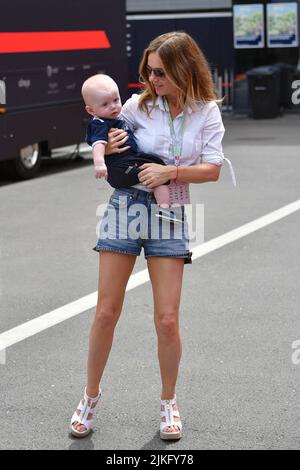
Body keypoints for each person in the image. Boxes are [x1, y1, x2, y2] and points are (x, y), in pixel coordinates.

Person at [70, 31, 226, 440]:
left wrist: (169, 171)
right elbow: (103, 130)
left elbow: (212, 169)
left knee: (168, 320)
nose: (152, 79)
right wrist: (113, 142)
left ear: (183, 69)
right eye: (149, 71)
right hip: (125, 207)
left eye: (160, 72)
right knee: (106, 311)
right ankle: (89, 397)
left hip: (169, 212)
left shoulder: (206, 111)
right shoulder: (137, 105)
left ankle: (168, 402)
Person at [82, 73, 182, 223]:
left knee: (157, 168)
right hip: (122, 166)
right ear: (91, 110)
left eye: (116, 100)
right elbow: (98, 144)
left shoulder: (117, 117)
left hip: (126, 164)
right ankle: (165, 209)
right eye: (105, 104)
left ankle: (164, 208)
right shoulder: (100, 124)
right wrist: (99, 163)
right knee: (157, 171)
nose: (113, 106)